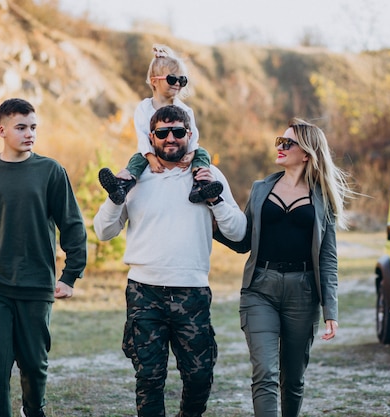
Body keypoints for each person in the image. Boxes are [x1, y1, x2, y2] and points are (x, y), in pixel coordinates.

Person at [93, 105, 247, 417]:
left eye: (178, 131)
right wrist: (115, 197)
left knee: (199, 375)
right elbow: (103, 231)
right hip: (144, 291)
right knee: (148, 377)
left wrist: (214, 200)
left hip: (192, 291)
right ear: (151, 137)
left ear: (190, 135)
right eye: (163, 133)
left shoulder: (208, 176)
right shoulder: (133, 178)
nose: (171, 138)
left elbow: (238, 229)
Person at [0, 98, 87, 417]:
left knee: (34, 366)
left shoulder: (51, 171)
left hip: (37, 282)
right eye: (21, 127)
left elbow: (72, 224)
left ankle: (33, 410)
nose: (29, 134)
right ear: (2, 130)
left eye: (33, 127)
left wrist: (69, 275)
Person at [215, 118, 353, 417]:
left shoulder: (323, 197)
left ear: (306, 153)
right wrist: (212, 220)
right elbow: (243, 242)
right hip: (259, 289)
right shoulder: (261, 188)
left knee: (292, 379)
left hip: (303, 293)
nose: (280, 146)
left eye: (288, 143)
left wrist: (331, 310)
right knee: (264, 372)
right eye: (280, 140)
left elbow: (328, 257)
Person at [98, 44, 223, 205]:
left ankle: (200, 184)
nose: (177, 83)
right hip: (150, 151)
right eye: (172, 79)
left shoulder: (185, 109)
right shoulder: (144, 107)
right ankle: (122, 186)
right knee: (137, 160)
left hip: (179, 151)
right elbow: (143, 137)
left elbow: (193, 137)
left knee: (203, 153)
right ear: (154, 81)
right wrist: (151, 157)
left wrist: (190, 154)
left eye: (182, 80)